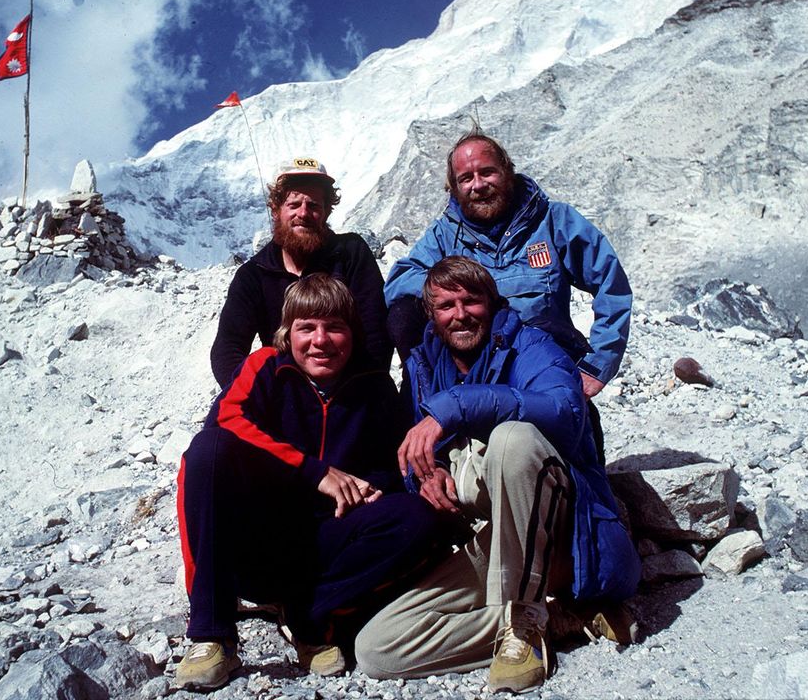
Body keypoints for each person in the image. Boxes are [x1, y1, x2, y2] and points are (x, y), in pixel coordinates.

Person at [355, 257, 640, 694]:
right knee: (379, 648)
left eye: (472, 301)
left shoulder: (532, 346)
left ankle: (524, 622)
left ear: (493, 303)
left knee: (513, 439)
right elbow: (413, 451)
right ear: (430, 315)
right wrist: (426, 478)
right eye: (447, 305)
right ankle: (557, 616)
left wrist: (456, 405)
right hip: (494, 538)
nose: (461, 313)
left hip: (560, 531)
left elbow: (565, 411)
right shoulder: (423, 364)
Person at [175, 274, 445, 692]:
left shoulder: (373, 386)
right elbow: (227, 423)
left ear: (352, 334)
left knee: (417, 517)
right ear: (287, 333)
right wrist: (314, 473)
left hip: (326, 546)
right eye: (307, 328)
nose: (321, 340)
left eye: (334, 327)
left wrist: (369, 491)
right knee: (207, 451)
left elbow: (392, 466)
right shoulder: (264, 366)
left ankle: (309, 615)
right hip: (259, 539)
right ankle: (212, 632)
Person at [383, 132, 632, 456]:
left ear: (507, 170)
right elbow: (400, 280)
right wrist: (458, 288)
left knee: (566, 462)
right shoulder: (445, 234)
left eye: (487, 172)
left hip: (541, 368)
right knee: (404, 311)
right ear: (454, 188)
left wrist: (597, 366)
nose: (478, 184)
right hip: (473, 371)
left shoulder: (554, 221)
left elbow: (610, 283)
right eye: (466, 178)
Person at [210, 156, 391, 386]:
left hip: (350, 390)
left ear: (326, 212)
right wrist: (258, 395)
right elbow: (228, 348)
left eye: (314, 205)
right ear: (276, 210)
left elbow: (376, 334)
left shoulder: (351, 253)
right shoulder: (253, 274)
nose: (303, 213)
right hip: (283, 394)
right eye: (294, 204)